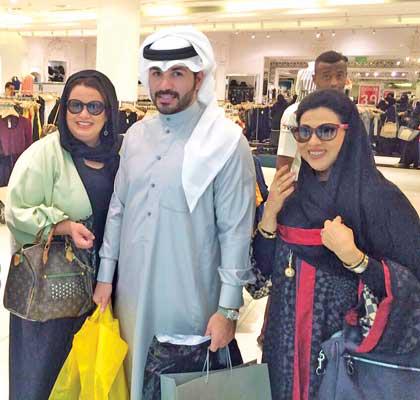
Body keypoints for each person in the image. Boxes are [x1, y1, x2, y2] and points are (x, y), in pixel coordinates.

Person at [93, 27, 256, 399]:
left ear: (199, 77)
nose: (164, 84)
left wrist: (228, 309)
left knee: (179, 385)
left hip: (190, 295)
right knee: (130, 374)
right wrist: (105, 277)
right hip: (130, 291)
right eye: (156, 73)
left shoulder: (226, 142)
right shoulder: (136, 135)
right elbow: (119, 208)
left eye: (177, 73)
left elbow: (235, 231)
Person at [253, 89, 420, 399]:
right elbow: (260, 280)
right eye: (304, 132)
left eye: (326, 131)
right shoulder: (290, 199)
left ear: (350, 132)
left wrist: (356, 259)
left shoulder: (380, 201)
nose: (313, 142)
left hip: (349, 358)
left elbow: (413, 288)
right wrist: (269, 217)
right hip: (285, 351)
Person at [5, 70, 121, 400]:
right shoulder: (45, 154)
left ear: (109, 112)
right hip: (52, 291)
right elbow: (16, 209)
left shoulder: (119, 157)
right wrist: (61, 225)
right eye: (75, 105)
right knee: (44, 376)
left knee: (90, 376)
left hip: (104, 287)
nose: (84, 115)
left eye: (94, 107)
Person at [276, 51, 348, 171]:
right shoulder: (295, 114)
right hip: (302, 181)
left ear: (346, 77)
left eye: (339, 76)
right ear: (315, 79)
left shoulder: (350, 114)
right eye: (327, 76)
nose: (334, 83)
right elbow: (284, 165)